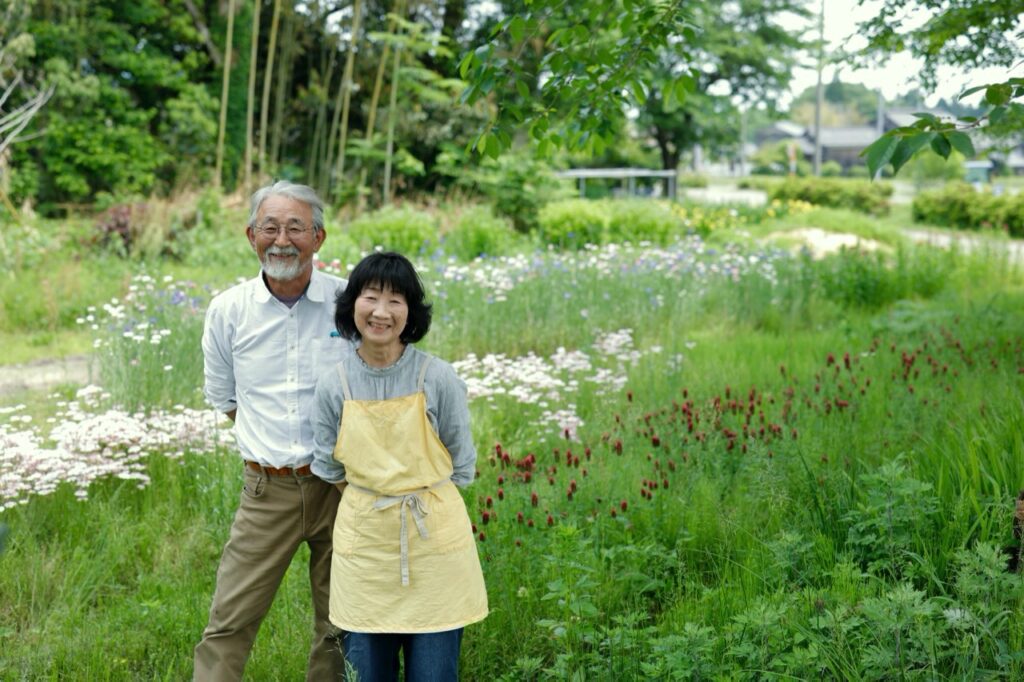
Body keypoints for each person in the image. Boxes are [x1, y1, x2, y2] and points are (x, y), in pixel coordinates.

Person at [194, 181, 349, 681]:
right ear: (250, 236)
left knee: (341, 622)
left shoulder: (348, 303)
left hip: (343, 486)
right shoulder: (229, 310)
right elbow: (225, 398)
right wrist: (273, 452)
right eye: (270, 227)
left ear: (319, 238)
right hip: (267, 490)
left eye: (296, 228)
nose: (282, 240)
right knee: (229, 621)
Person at [312, 251, 488, 681]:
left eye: (396, 300)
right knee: (368, 674)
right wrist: (380, 499)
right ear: (352, 304)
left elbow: (461, 464)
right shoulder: (334, 384)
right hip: (366, 552)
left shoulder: (437, 377)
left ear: (410, 312)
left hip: (434, 551)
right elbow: (329, 468)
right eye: (370, 297)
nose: (381, 312)